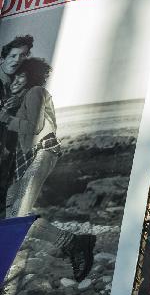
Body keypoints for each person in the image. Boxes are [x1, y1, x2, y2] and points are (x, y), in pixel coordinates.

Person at [0, 56, 95, 280]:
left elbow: (34, 127)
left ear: (31, 76)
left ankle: (74, 244)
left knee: (15, 217)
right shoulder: (21, 98)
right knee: (11, 220)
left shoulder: (36, 93)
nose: (16, 80)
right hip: (25, 161)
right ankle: (74, 242)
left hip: (42, 152)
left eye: (22, 75)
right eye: (15, 76)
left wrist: (5, 118)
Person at [0, 36, 33, 218]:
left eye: (23, 56)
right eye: (13, 55)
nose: (17, 60)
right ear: (2, 59)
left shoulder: (13, 87)